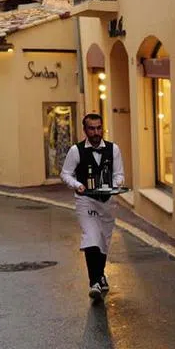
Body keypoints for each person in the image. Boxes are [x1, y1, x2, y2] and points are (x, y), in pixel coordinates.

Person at [60, 113, 125, 302]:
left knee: (103, 240)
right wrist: (76, 184)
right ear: (85, 130)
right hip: (86, 200)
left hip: (107, 202)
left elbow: (119, 174)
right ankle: (94, 282)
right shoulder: (76, 151)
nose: (96, 132)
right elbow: (65, 174)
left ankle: (100, 275)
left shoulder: (113, 149)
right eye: (91, 128)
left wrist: (117, 184)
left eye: (98, 128)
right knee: (91, 236)